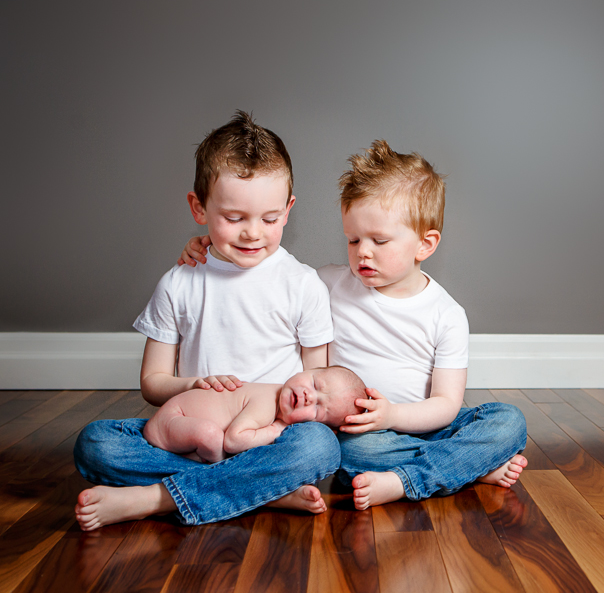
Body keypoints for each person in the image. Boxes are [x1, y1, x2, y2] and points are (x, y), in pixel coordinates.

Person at [180, 140, 528, 511]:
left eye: (379, 240)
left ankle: (410, 478)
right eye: (353, 239)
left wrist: (393, 415)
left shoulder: (447, 314)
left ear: (425, 244)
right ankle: (465, 466)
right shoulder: (328, 284)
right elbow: (271, 275)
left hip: (423, 422)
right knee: (348, 454)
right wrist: (210, 250)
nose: (363, 251)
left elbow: (445, 403)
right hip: (363, 435)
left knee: (508, 421)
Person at [73, 111, 339, 532]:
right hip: (191, 440)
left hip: (269, 440)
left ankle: (157, 499)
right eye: (234, 218)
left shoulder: (303, 285)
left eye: (269, 219)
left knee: (320, 447)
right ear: (199, 207)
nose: (253, 233)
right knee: (95, 444)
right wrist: (193, 385)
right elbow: (153, 384)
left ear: (288, 211)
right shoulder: (179, 283)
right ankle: (262, 491)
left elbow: (316, 380)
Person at [145, 366, 367, 463]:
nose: (310, 396)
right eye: (315, 383)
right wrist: (276, 429)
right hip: (173, 420)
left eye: (318, 409)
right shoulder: (266, 404)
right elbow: (233, 440)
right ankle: (201, 467)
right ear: (305, 370)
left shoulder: (277, 399)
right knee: (212, 436)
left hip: (178, 426)